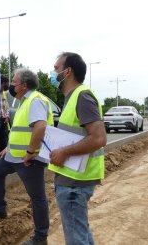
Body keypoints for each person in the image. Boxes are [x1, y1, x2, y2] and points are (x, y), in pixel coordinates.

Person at [0, 68, 54, 245]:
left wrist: (31, 152)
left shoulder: (36, 100)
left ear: (23, 85)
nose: (11, 86)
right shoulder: (24, 101)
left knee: (37, 197)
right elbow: (20, 130)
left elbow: (40, 127)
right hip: (14, 156)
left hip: (29, 159)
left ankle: (40, 237)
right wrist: (8, 147)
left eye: (14, 82)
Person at [48, 52, 107, 245]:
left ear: (68, 72)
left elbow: (98, 138)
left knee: (76, 238)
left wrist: (64, 152)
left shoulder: (82, 96)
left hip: (76, 181)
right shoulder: (72, 97)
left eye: (56, 68)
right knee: (80, 233)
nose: (53, 72)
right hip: (72, 177)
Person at [0, 75, 10, 153]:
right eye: (4, 85)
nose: (4, 88)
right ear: (1, 83)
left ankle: (3, 159)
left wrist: (7, 116)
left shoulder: (3, 93)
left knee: (4, 142)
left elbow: (6, 106)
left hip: (3, 120)